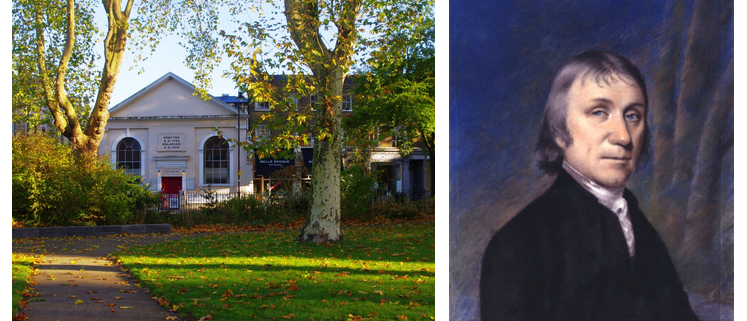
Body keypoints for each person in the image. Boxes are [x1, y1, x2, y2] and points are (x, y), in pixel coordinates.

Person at [480, 50, 699, 321]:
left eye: (632, 115)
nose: (623, 136)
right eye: (598, 112)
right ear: (559, 131)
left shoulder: (639, 226)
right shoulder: (518, 243)